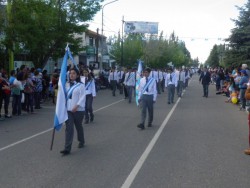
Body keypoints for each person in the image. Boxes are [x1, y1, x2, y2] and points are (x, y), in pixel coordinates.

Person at [60, 67, 86, 156]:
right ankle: (67, 148)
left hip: (78, 110)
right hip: (68, 110)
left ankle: (81, 141)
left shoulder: (81, 85)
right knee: (69, 128)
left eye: (74, 73)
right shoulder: (66, 84)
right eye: (70, 73)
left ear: (77, 75)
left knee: (78, 126)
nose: (72, 75)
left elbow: (83, 97)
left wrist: (77, 105)